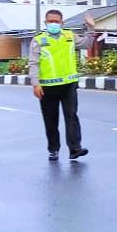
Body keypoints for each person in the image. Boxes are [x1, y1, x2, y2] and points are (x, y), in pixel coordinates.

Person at [29, 10, 95, 161]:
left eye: (56, 21)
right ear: (45, 23)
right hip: (47, 87)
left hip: (69, 84)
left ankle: (75, 149)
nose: (53, 24)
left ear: (62, 23)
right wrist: (35, 84)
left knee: (71, 116)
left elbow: (87, 45)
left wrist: (91, 29)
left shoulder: (69, 35)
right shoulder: (38, 40)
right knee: (51, 120)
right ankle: (53, 149)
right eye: (50, 21)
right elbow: (33, 64)